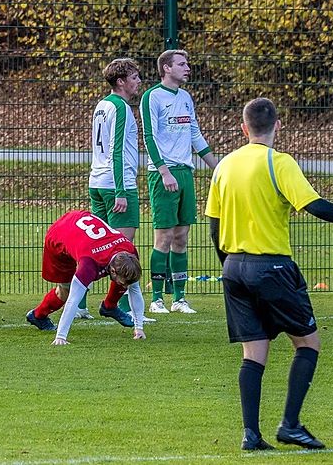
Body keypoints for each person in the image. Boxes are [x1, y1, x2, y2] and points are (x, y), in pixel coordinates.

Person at [205, 97, 333, 451]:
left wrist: (229, 265)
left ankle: (251, 435)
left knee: (254, 352)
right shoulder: (278, 162)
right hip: (272, 267)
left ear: (243, 127)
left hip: (234, 268)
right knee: (308, 342)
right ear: (278, 125)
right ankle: (291, 425)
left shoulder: (224, 164)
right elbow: (314, 205)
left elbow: (213, 225)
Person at [140, 49, 218, 314]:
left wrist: (217, 168)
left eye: (187, 63)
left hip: (185, 172)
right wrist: (163, 171)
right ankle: (157, 298)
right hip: (164, 173)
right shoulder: (152, 97)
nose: (187, 68)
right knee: (163, 236)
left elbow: (195, 133)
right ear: (166, 68)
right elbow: (149, 137)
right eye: (182, 64)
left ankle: (180, 299)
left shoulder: (185, 97)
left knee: (182, 237)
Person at [26, 210, 146, 344]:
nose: (125, 287)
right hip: (59, 234)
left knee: (125, 279)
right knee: (65, 291)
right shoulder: (89, 264)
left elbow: (134, 289)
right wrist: (61, 337)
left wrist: (139, 328)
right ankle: (38, 315)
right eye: (123, 284)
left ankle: (109, 307)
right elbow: (73, 299)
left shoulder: (129, 251)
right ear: (112, 270)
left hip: (81, 227)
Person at [84, 58, 144, 319]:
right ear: (121, 81)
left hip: (97, 182)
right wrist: (121, 190)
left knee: (95, 248)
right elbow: (116, 150)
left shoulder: (102, 105)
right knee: (125, 251)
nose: (138, 81)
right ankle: (121, 307)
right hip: (117, 186)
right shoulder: (120, 107)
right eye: (134, 77)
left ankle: (78, 304)